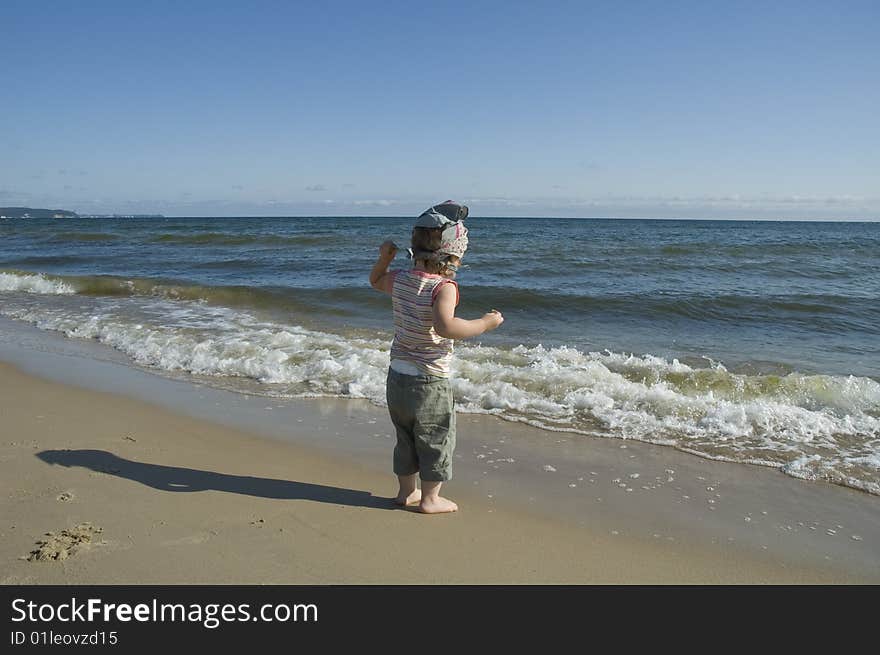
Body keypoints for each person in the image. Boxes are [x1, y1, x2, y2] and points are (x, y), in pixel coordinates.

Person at [369, 201, 504, 514]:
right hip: (429, 380)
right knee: (435, 437)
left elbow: (376, 281)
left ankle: (406, 493)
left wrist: (384, 259)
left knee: (405, 437)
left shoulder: (401, 279)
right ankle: (430, 499)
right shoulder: (444, 287)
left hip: (397, 377)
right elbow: (445, 327)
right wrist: (485, 323)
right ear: (453, 256)